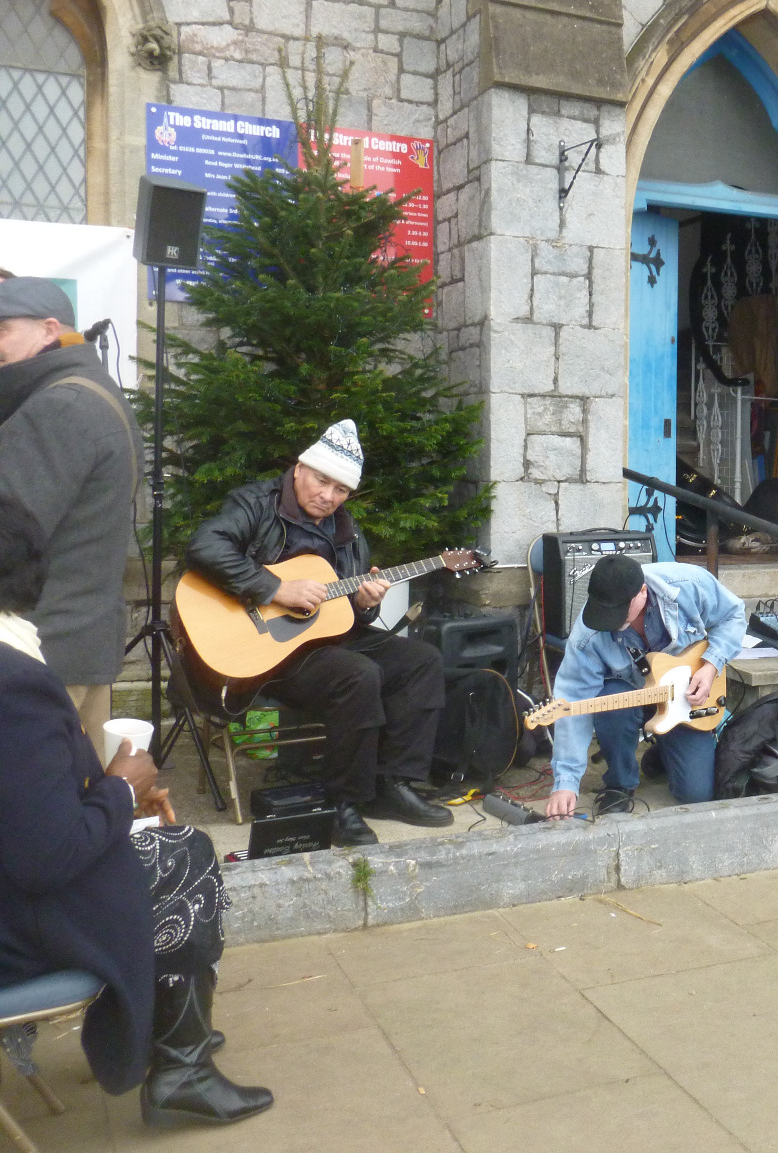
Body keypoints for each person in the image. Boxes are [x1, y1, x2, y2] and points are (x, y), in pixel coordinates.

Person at [0, 493, 272, 1126]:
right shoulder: (13, 683)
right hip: (14, 923)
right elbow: (46, 858)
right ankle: (181, 1065)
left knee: (168, 848)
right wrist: (121, 789)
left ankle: (176, 1031)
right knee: (182, 857)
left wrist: (101, 790)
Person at [184, 419, 450, 846]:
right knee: (358, 674)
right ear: (300, 469)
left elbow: (345, 616)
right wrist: (275, 588)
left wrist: (365, 603)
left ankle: (393, 784)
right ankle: (342, 804)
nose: (328, 496)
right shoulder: (257, 504)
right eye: (321, 481)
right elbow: (204, 546)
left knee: (422, 660)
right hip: (267, 654)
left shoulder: (348, 532)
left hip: (322, 643)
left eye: (341, 489)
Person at [0, 276, 140, 739]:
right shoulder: (90, 389)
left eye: (2, 329)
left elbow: (8, 536)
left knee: (42, 785)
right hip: (76, 641)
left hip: (43, 651)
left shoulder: (60, 404)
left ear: (48, 329)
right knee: (81, 780)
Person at [545, 555, 745, 818]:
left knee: (696, 795)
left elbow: (733, 615)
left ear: (642, 592)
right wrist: (566, 783)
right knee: (609, 700)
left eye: (620, 610)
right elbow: (574, 699)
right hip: (627, 697)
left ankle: (664, 751)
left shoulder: (689, 583)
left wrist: (711, 666)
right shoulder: (587, 632)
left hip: (682, 700)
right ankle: (619, 784)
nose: (611, 620)